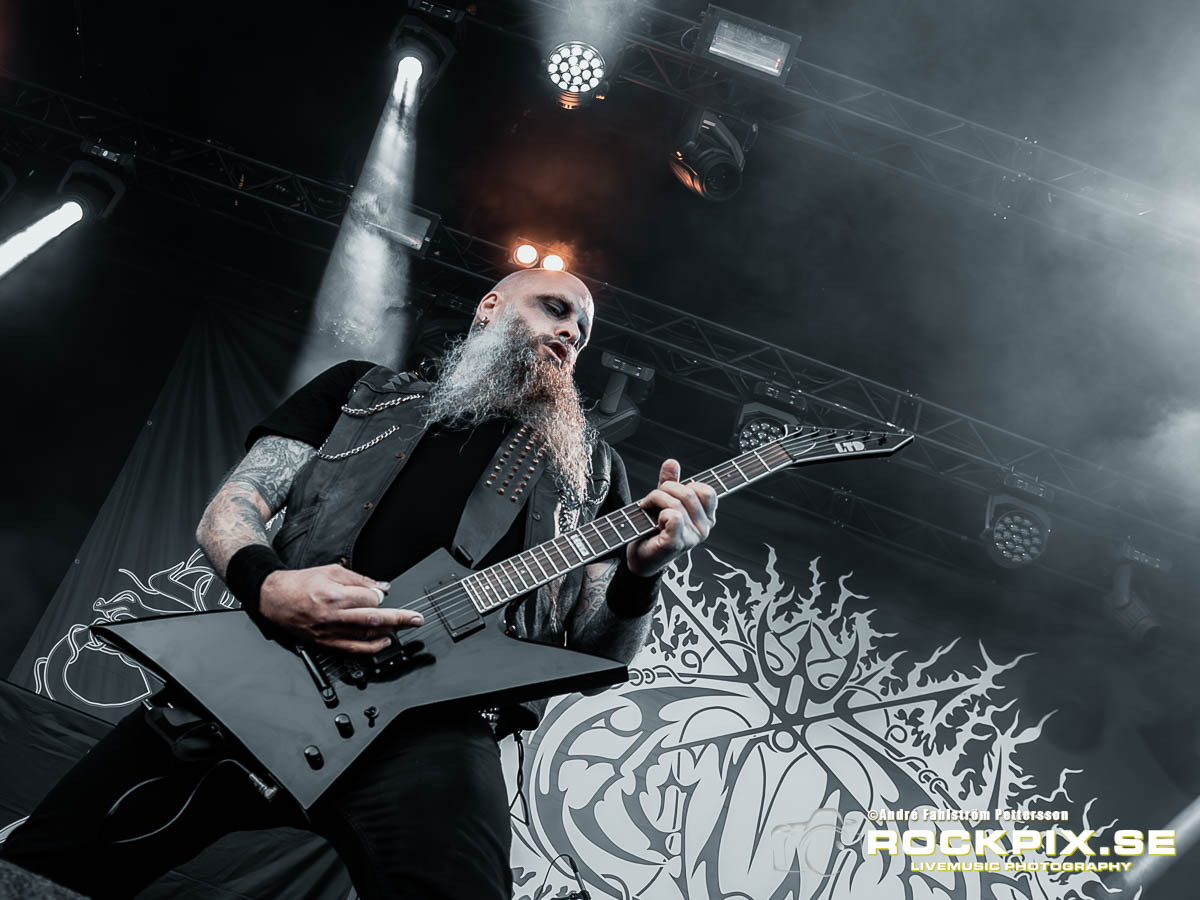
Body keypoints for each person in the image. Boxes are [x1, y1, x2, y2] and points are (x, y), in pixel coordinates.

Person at [1, 268, 719, 900]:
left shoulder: (592, 475)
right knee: (47, 863)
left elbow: (599, 652)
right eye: (555, 310)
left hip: (435, 726)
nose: (569, 335)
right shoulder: (360, 392)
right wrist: (268, 587)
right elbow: (235, 506)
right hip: (268, 669)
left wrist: (643, 572)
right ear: (491, 307)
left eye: (581, 333)